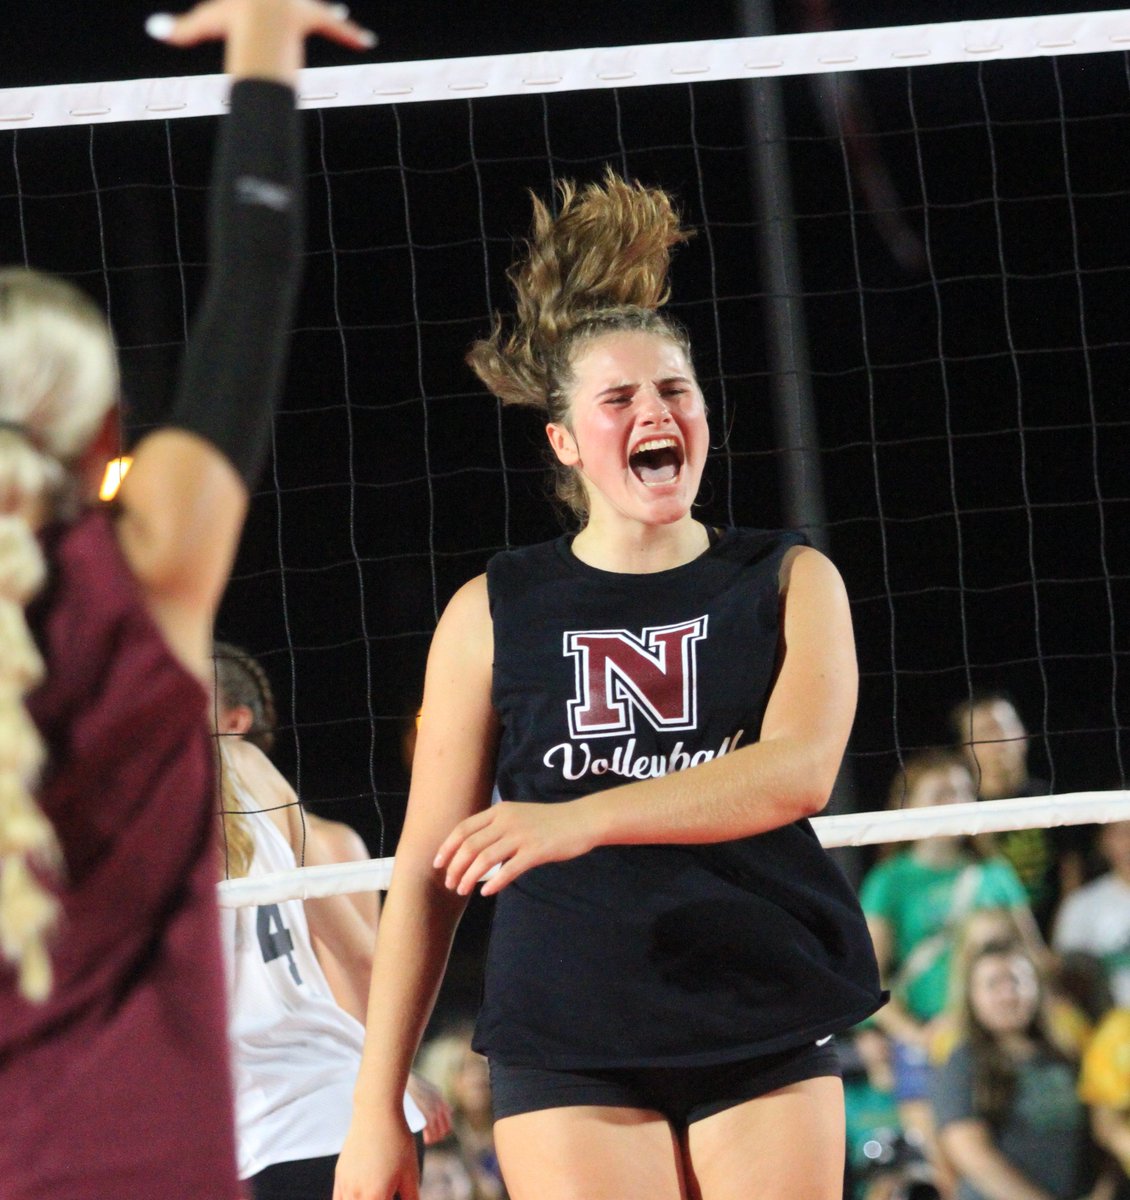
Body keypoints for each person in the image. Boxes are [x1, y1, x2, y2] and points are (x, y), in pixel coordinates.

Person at [333, 170, 884, 1200]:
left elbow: (796, 775)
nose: (654, 412)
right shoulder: (491, 610)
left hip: (753, 1005)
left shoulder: (788, 578)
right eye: (619, 398)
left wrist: (571, 820)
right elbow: (423, 874)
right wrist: (376, 1107)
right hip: (568, 1028)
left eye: (674, 390)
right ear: (564, 442)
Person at [0, 3, 373, 1197]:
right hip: (174, 1158)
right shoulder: (149, 575)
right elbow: (252, 279)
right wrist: (265, 45)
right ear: (107, 435)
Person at [216, 728, 448, 1198]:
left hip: (249, 1137)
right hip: (351, 1116)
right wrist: (395, 1075)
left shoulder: (121, 802)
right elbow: (362, 957)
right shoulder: (248, 763)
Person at [860, 749, 1039, 1186]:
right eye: (941, 792)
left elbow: (1034, 958)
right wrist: (911, 1035)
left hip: (993, 1040)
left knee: (1010, 1161)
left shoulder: (992, 873)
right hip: (929, 1038)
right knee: (946, 1175)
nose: (955, 801)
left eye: (962, 791)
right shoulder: (890, 881)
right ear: (909, 804)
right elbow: (866, 981)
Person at [931, 940, 1098, 1200]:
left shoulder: (1066, 1055)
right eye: (993, 984)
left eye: (1018, 981)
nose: (1008, 994)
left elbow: (1099, 1132)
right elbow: (969, 1151)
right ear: (972, 996)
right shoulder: (962, 1061)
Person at [950, 691, 1085, 933]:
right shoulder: (961, 811)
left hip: (1052, 929)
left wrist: (1062, 935)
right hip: (988, 934)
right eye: (983, 732)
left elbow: (1070, 871)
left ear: (1023, 735)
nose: (996, 740)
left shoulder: (1050, 797)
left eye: (1002, 727)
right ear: (966, 748)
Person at [1053, 821, 1130, 1011]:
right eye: (1123, 833)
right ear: (1104, 840)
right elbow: (1067, 981)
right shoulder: (1081, 906)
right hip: (1105, 1028)